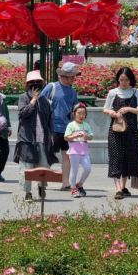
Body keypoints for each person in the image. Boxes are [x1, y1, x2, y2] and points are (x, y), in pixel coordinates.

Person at [14, 70, 58, 202]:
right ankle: (27, 192)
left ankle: (41, 186)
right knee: (27, 168)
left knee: (44, 166)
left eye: (38, 83)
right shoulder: (23, 98)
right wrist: (33, 100)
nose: (35, 85)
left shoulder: (45, 100)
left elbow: (50, 118)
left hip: (42, 139)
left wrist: (51, 134)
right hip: (27, 139)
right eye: (32, 83)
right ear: (27, 85)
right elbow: (22, 113)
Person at [103, 67, 138, 200]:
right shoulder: (113, 93)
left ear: (130, 80)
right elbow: (105, 109)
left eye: (126, 80)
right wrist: (111, 112)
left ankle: (123, 185)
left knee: (128, 157)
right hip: (116, 129)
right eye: (121, 80)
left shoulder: (135, 92)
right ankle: (118, 188)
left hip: (131, 130)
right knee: (116, 157)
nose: (123, 83)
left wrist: (128, 109)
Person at [42, 62, 80, 190]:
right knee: (50, 154)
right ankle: (42, 180)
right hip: (53, 128)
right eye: (72, 76)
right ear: (64, 75)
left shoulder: (73, 92)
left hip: (68, 129)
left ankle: (65, 182)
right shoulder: (51, 87)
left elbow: (75, 110)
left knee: (67, 155)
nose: (74, 78)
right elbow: (41, 104)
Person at [65, 103, 93, 198]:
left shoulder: (87, 125)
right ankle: (73, 189)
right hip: (74, 151)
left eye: (83, 114)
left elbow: (90, 137)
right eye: (79, 113)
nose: (81, 116)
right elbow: (66, 137)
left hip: (84, 151)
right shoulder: (71, 125)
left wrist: (86, 136)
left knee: (88, 168)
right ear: (74, 114)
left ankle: (80, 183)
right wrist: (75, 136)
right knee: (74, 170)